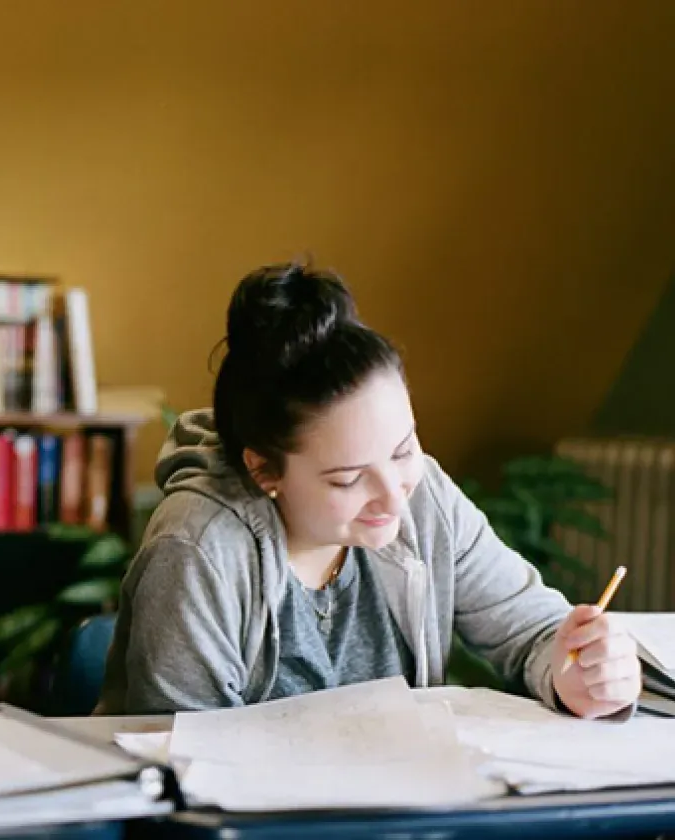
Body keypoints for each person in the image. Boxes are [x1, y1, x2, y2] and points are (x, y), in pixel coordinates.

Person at [96, 262, 640, 719]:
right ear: (265, 470)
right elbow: (185, 763)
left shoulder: (424, 498)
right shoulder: (199, 549)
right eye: (349, 478)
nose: (393, 496)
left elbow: (536, 631)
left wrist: (577, 674)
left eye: (402, 450)